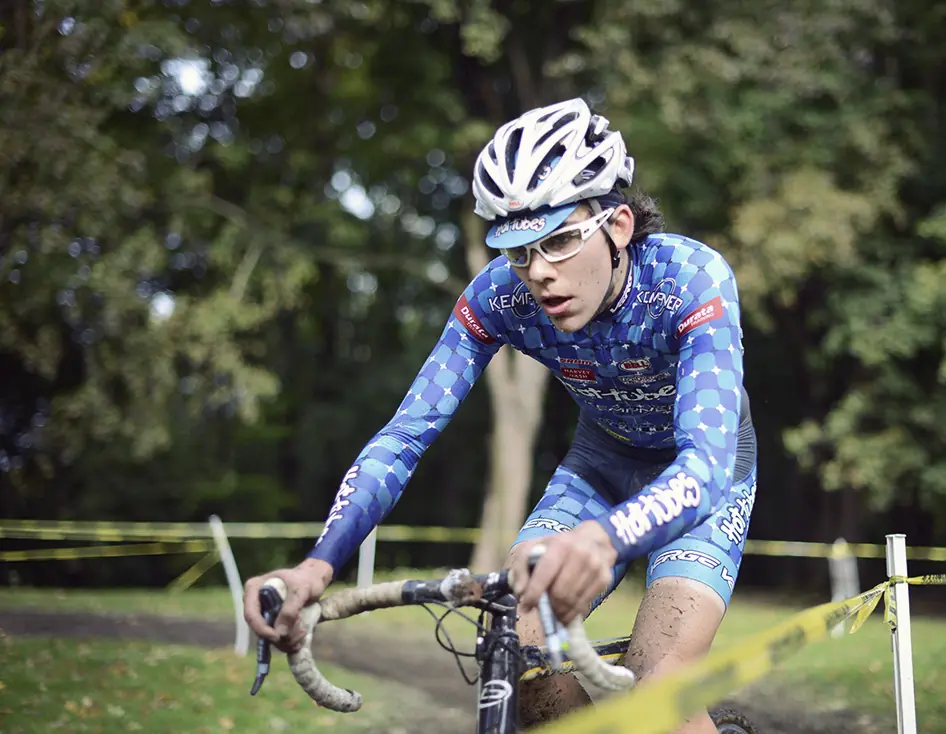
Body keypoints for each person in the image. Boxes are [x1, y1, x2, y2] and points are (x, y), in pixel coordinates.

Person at [243, 98, 758, 733]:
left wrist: (604, 539)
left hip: (704, 477)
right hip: (599, 470)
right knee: (517, 657)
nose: (540, 273)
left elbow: (705, 465)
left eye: (561, 241)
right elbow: (406, 434)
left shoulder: (691, 279)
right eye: (519, 250)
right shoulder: (501, 297)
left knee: (657, 689)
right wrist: (316, 565)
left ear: (619, 225)